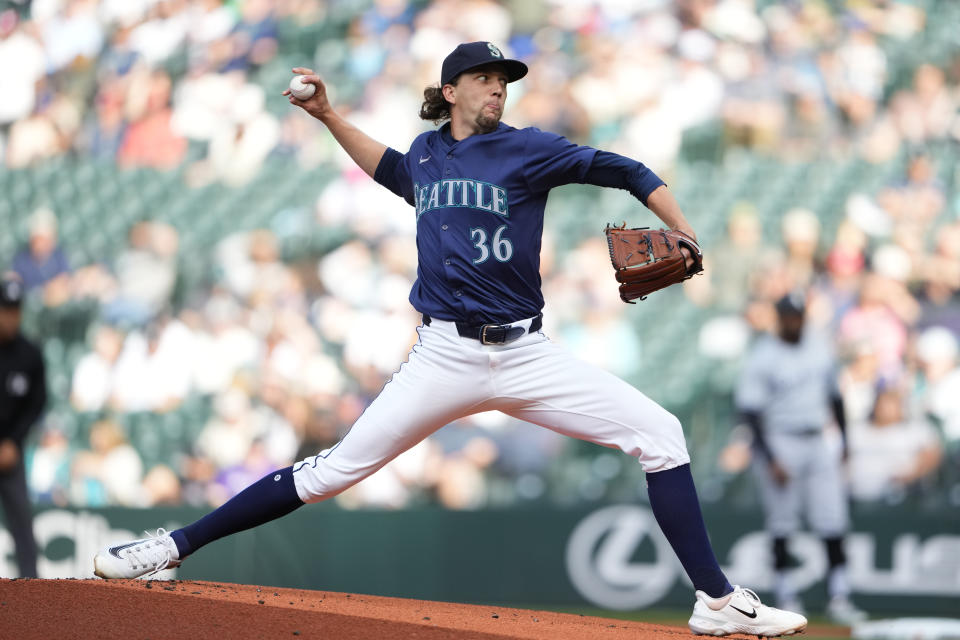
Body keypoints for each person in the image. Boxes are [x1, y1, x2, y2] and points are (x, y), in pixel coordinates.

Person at [94, 41, 806, 636]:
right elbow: (390, 170)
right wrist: (329, 115)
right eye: (486, 79)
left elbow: (624, 169)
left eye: (504, 80)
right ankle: (172, 545)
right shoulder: (427, 157)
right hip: (444, 353)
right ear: (451, 89)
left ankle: (716, 603)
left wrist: (679, 224)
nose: (499, 89)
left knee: (662, 435)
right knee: (328, 474)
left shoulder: (528, 150)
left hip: (526, 353)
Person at [735, 291, 867, 625]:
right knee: (782, 523)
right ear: (779, 318)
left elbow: (835, 397)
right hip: (780, 439)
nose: (795, 321)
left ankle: (839, 597)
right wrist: (769, 456)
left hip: (818, 438)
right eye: (789, 316)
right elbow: (750, 412)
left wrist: (845, 442)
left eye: (799, 315)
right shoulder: (763, 355)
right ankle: (786, 596)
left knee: (833, 519)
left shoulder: (818, 344)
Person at [0, 276, 47, 578]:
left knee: (22, 524)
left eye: (15, 311)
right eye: (5, 310)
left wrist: (13, 442)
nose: (10, 317)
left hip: (10, 454)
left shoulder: (29, 354)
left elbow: (36, 404)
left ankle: (32, 591)